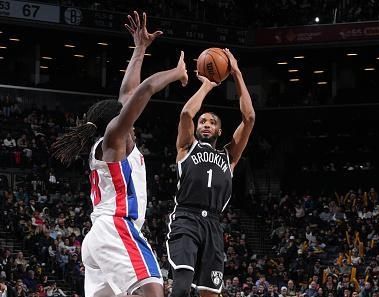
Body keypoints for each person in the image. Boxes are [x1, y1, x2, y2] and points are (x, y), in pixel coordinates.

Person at [51, 11, 188, 297]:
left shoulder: (112, 144)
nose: (131, 121)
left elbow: (127, 93)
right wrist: (177, 73)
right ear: (114, 123)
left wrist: (139, 49)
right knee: (153, 290)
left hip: (98, 237)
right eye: (125, 118)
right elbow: (145, 90)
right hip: (116, 227)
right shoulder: (114, 140)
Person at [167, 48, 255, 297]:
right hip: (186, 218)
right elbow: (186, 113)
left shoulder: (229, 156)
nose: (206, 124)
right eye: (203, 121)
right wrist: (207, 86)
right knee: (181, 288)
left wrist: (236, 72)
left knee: (209, 294)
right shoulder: (186, 147)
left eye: (212, 122)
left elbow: (249, 118)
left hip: (214, 224)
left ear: (219, 131)